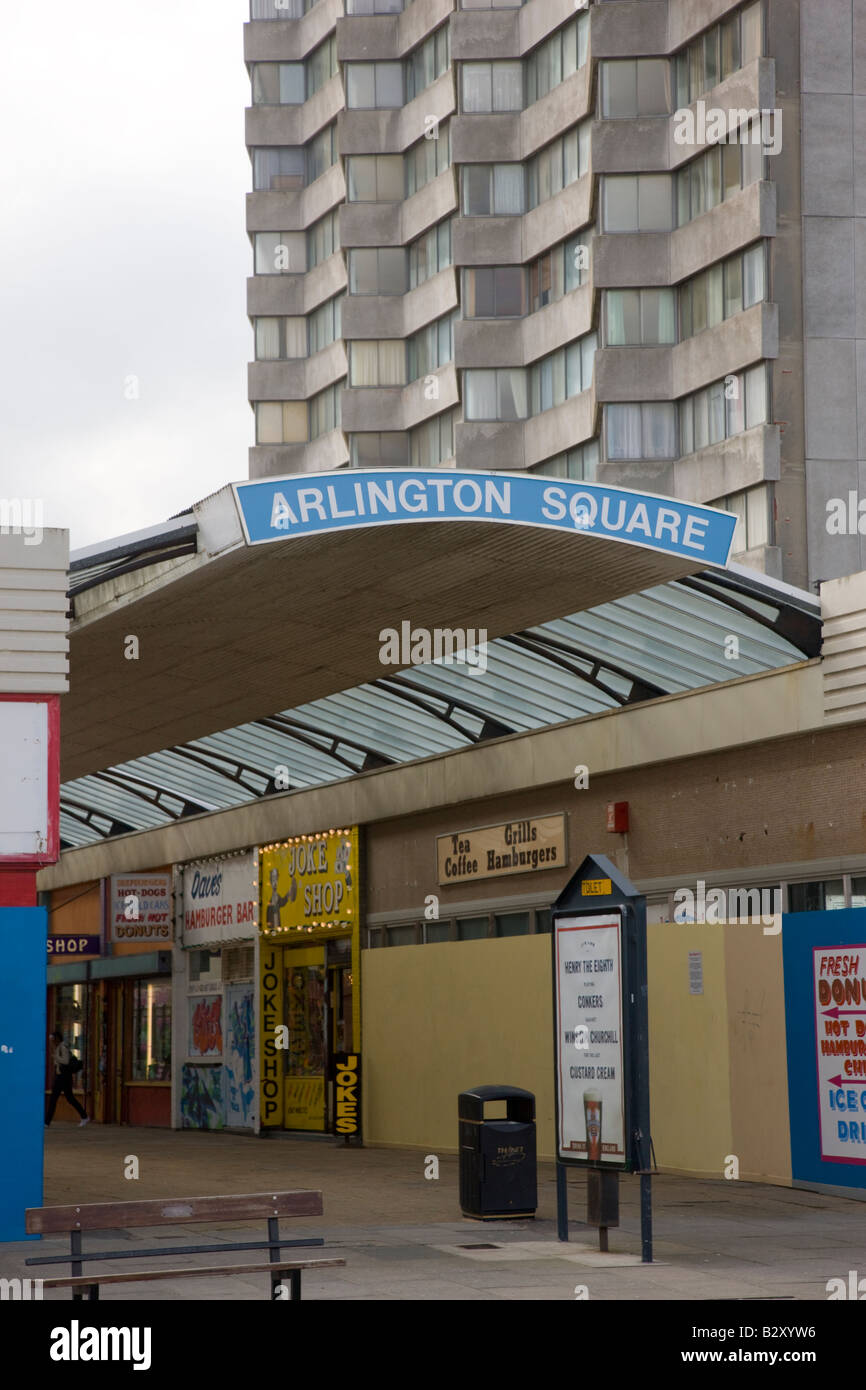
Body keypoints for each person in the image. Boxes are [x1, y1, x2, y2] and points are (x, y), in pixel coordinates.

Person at [45, 1030, 89, 1127]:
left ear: (57, 1039)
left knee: (54, 1098)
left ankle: (47, 1122)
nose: (51, 1042)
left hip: (63, 1077)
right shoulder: (58, 1048)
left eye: (52, 1039)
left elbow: (65, 1061)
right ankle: (84, 1116)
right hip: (61, 1077)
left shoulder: (62, 1047)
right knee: (70, 1098)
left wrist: (55, 1057)